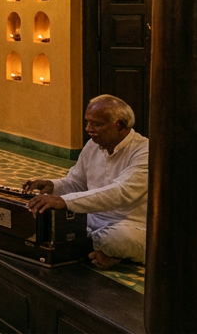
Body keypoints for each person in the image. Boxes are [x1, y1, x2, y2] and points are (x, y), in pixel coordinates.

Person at [23, 94, 148, 267]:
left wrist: (63, 201)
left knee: (115, 240)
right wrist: (52, 186)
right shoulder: (93, 145)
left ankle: (109, 252)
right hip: (91, 221)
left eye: (96, 124)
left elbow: (121, 192)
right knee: (50, 223)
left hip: (130, 225)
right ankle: (101, 254)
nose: (88, 129)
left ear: (119, 125)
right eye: (87, 122)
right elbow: (76, 182)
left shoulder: (144, 151)